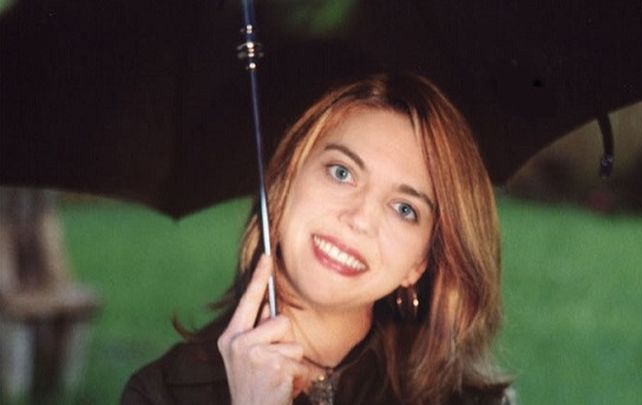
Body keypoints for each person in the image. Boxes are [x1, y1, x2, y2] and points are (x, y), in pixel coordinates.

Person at [121, 73, 509, 405]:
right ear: (285, 179)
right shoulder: (162, 394)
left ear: (420, 263)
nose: (359, 219)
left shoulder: (463, 399)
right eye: (342, 172)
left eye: (404, 208)